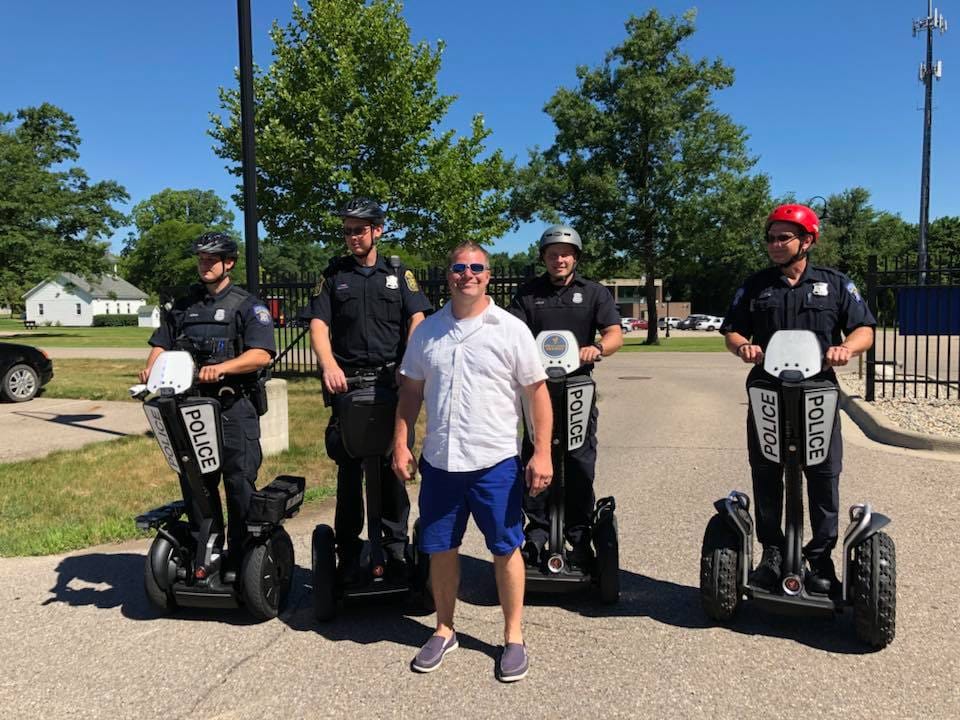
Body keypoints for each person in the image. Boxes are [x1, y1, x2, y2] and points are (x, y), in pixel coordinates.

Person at [392, 242, 553, 682]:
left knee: (505, 547)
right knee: (440, 548)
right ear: (449, 275)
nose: (468, 274)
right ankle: (444, 629)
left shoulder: (510, 329)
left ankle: (514, 637)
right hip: (441, 462)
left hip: (495, 461)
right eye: (459, 267)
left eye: (476, 267)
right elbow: (410, 392)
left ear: (488, 274)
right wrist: (402, 443)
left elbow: (536, 393)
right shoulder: (427, 332)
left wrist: (541, 452)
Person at [720, 203, 876, 595]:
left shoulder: (835, 283)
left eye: (783, 237)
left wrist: (847, 349)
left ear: (807, 240)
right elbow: (733, 331)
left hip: (817, 392)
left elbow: (864, 329)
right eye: (770, 238)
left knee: (823, 474)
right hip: (768, 392)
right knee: (767, 468)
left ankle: (820, 559)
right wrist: (743, 348)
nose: (774, 244)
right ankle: (772, 553)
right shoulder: (756, 285)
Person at [306, 197, 431, 581]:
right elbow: (319, 324)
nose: (352, 237)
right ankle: (348, 550)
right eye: (347, 230)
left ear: (378, 230)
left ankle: (395, 550)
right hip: (349, 384)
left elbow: (417, 317)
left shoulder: (398, 274)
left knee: (395, 464)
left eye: (359, 229)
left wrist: (409, 364)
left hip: (390, 382)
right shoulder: (333, 276)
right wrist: (328, 364)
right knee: (349, 470)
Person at [138, 232, 276, 560]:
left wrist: (225, 367)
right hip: (191, 408)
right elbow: (162, 343)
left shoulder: (247, 305)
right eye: (201, 259)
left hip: (233, 407)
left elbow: (261, 355)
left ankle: (244, 558)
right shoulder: (184, 305)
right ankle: (207, 551)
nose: (204, 265)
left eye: (211, 260)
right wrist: (150, 371)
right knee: (196, 482)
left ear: (229, 263)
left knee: (239, 481)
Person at [508, 225, 622, 568]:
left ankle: (578, 535)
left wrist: (597, 349)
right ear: (544, 257)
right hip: (538, 387)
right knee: (536, 457)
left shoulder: (594, 293)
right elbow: (513, 335)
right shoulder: (527, 295)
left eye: (566, 253)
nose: (559, 259)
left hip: (577, 386)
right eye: (553, 253)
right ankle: (538, 533)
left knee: (578, 460)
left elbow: (615, 333)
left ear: (576, 257)